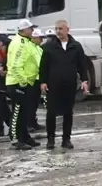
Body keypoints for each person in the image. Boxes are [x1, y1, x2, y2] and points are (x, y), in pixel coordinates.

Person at [38, 19, 90, 149]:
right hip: (53, 84)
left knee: (68, 112)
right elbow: (43, 66)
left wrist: (84, 80)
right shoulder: (49, 46)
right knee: (51, 112)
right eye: (56, 29)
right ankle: (51, 139)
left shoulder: (76, 46)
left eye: (60, 29)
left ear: (67, 29)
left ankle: (66, 139)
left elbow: (82, 65)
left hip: (69, 84)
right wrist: (43, 81)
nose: (58, 31)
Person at [5, 20, 42, 149]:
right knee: (17, 112)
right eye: (30, 28)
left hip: (24, 82)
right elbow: (15, 66)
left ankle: (25, 137)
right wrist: (23, 82)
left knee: (23, 113)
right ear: (24, 30)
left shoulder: (26, 42)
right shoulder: (19, 43)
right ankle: (15, 140)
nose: (32, 31)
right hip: (17, 83)